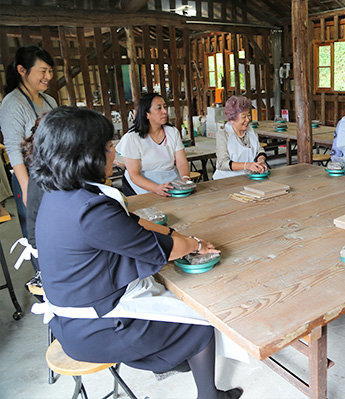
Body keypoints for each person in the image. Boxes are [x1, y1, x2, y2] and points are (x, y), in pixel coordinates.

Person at [30, 107, 242, 399]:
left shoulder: (61, 194)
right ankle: (209, 395)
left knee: (167, 302)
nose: (113, 152)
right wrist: (193, 244)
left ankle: (173, 359)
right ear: (85, 155)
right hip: (96, 328)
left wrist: (175, 234)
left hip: (69, 321)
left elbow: (132, 222)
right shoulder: (91, 211)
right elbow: (163, 249)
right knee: (201, 324)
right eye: (106, 147)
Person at [0, 45, 56, 239]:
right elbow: (13, 149)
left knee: (55, 227)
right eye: (43, 71)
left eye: (50, 71)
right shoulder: (13, 103)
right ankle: (40, 270)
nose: (48, 76)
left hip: (52, 173)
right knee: (37, 232)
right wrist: (26, 189)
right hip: (29, 176)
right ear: (22, 70)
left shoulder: (49, 101)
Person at [116, 93, 190, 196]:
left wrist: (185, 180)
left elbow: (181, 162)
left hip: (169, 179)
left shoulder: (172, 132)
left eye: (165, 107)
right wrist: (156, 188)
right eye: (159, 108)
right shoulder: (132, 138)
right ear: (147, 114)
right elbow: (134, 175)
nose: (164, 111)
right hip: (142, 184)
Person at [213, 96, 267, 180]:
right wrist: (247, 165)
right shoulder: (223, 135)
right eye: (243, 116)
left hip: (247, 177)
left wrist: (261, 161)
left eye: (248, 115)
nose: (248, 119)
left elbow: (260, 151)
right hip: (225, 180)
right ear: (232, 119)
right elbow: (222, 163)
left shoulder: (251, 132)